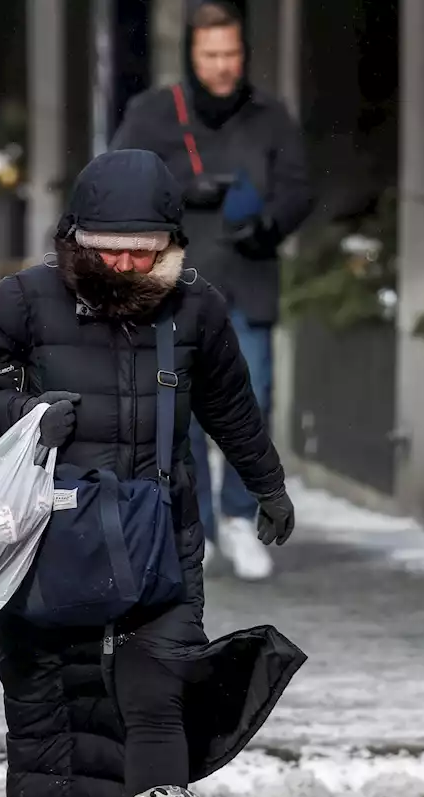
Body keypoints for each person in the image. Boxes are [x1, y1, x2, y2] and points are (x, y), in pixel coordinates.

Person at [0, 149, 305, 797]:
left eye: (142, 250)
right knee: (47, 699)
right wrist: (27, 414)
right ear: (76, 238)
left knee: (158, 690)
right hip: (45, 537)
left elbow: (233, 406)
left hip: (158, 540)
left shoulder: (195, 311)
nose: (126, 264)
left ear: (169, 243)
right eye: (110, 249)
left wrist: (267, 486)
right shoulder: (25, 300)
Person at [111, 0, 313, 580]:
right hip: (177, 284)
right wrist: (185, 191)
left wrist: (268, 224)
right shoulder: (153, 114)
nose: (223, 66)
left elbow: (299, 188)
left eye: (232, 54)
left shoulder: (271, 115)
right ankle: (194, 523)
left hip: (248, 279)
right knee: (180, 412)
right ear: (191, 55)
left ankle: (239, 515)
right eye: (211, 55)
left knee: (255, 399)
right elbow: (122, 177)